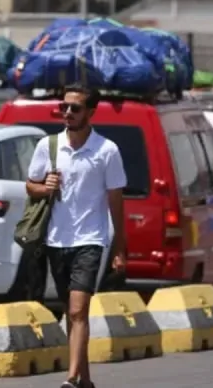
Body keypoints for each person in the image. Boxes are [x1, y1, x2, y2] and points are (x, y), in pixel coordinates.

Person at [26, 84, 127, 388]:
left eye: (76, 108)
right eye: (65, 107)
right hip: (56, 240)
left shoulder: (106, 151)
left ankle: (70, 379)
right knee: (73, 315)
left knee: (77, 310)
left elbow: (116, 204)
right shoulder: (49, 146)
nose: (68, 112)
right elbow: (30, 186)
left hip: (91, 240)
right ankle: (85, 380)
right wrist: (46, 188)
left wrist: (119, 249)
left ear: (91, 112)